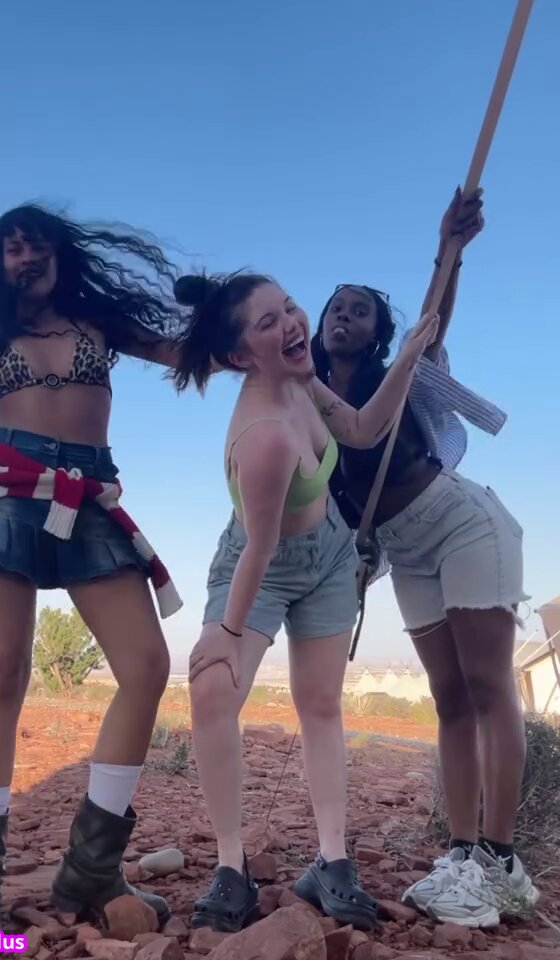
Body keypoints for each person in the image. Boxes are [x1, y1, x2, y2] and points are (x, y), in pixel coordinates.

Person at [0, 204, 186, 935]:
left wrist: (235, 321)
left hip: (89, 494)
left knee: (147, 666)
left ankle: (92, 867)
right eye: (12, 249)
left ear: (60, 255)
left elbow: (188, 355)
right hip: (8, 494)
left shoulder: (98, 325)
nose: (27, 257)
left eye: (37, 245)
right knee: (3, 673)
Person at [170, 271, 439, 932]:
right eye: (268, 323)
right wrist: (225, 633)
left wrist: (407, 358)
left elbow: (363, 428)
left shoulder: (300, 381)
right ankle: (230, 867)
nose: (292, 323)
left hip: (330, 555)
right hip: (259, 565)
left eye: (289, 307)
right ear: (240, 355)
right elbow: (259, 551)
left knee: (320, 704)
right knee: (212, 692)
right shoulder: (263, 434)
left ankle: (332, 861)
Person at [311, 188, 541, 928]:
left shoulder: (400, 373)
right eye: (336, 307)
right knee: (448, 698)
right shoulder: (305, 395)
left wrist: (450, 250)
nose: (345, 317)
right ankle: (463, 851)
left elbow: (432, 321)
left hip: (462, 525)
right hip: (405, 551)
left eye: (360, 311)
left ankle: (500, 861)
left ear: (378, 333)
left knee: (487, 684)